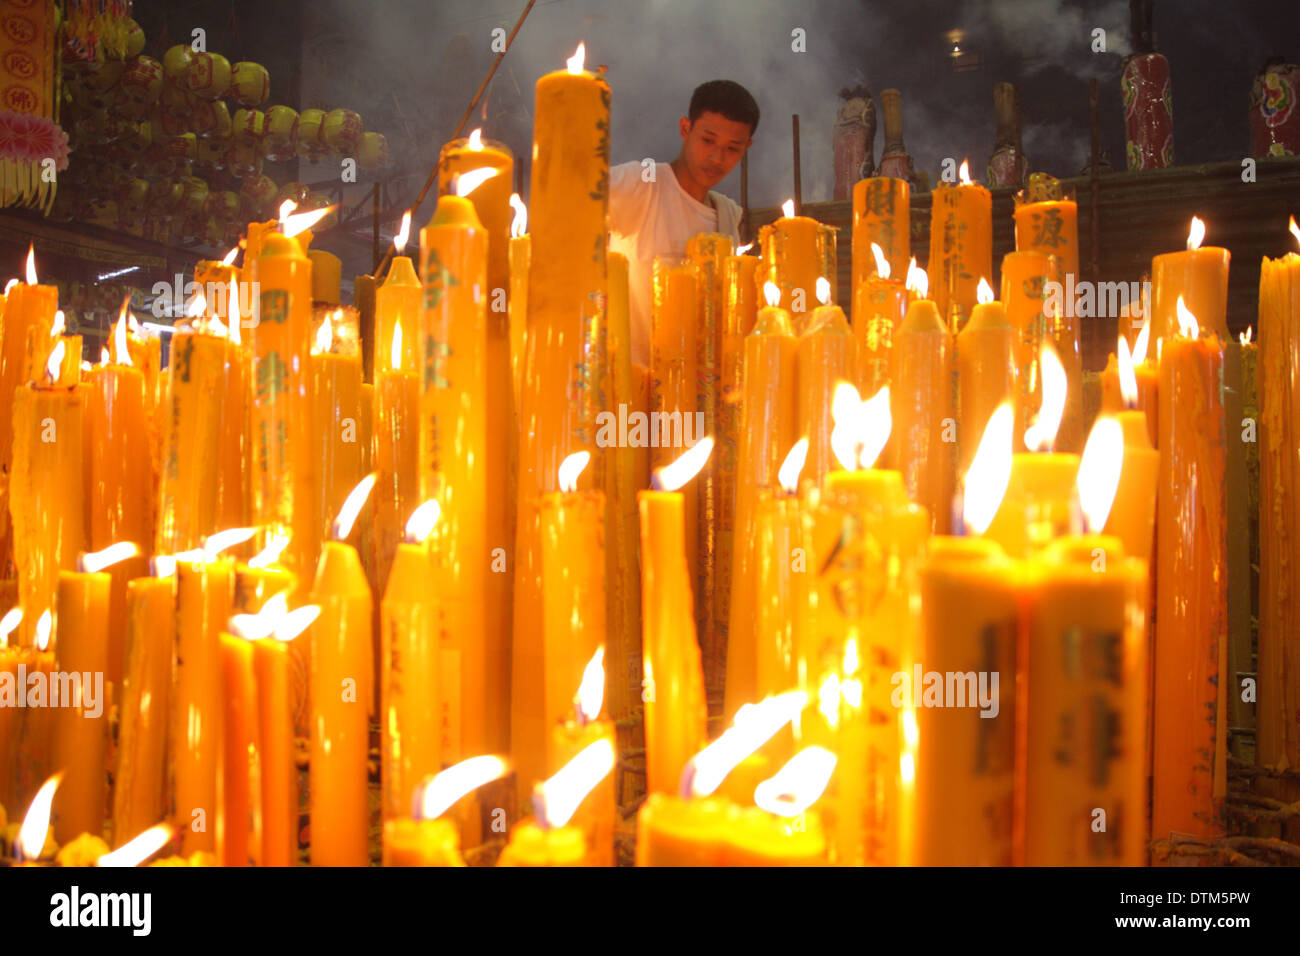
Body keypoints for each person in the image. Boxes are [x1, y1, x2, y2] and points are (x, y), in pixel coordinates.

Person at [609, 79, 759, 367]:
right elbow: (574, 201)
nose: (717, 157)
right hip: (631, 395)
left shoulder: (728, 216)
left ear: (746, 147)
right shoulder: (643, 185)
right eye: (707, 140)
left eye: (732, 148)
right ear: (685, 129)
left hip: (697, 399)